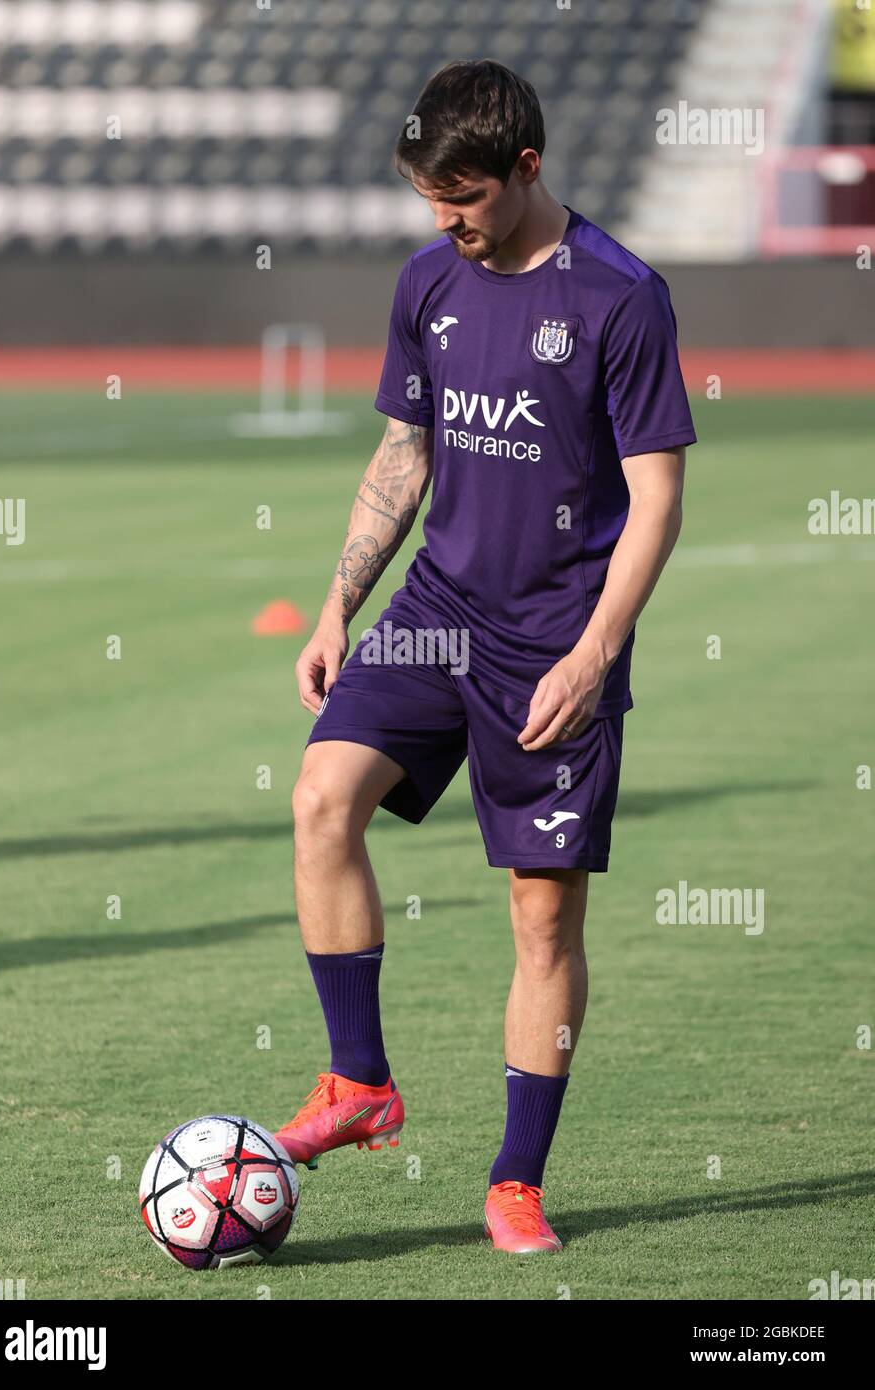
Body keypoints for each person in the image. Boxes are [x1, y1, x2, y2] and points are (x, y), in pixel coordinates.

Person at [275, 59, 696, 1254]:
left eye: (460, 197)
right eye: (426, 199)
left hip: (555, 642)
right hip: (435, 610)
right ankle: (358, 1081)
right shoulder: (427, 280)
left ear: (525, 168)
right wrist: (333, 605)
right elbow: (404, 452)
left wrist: (592, 655)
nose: (442, 220)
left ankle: (515, 1180)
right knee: (319, 796)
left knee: (540, 922)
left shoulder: (619, 296)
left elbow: (656, 498)